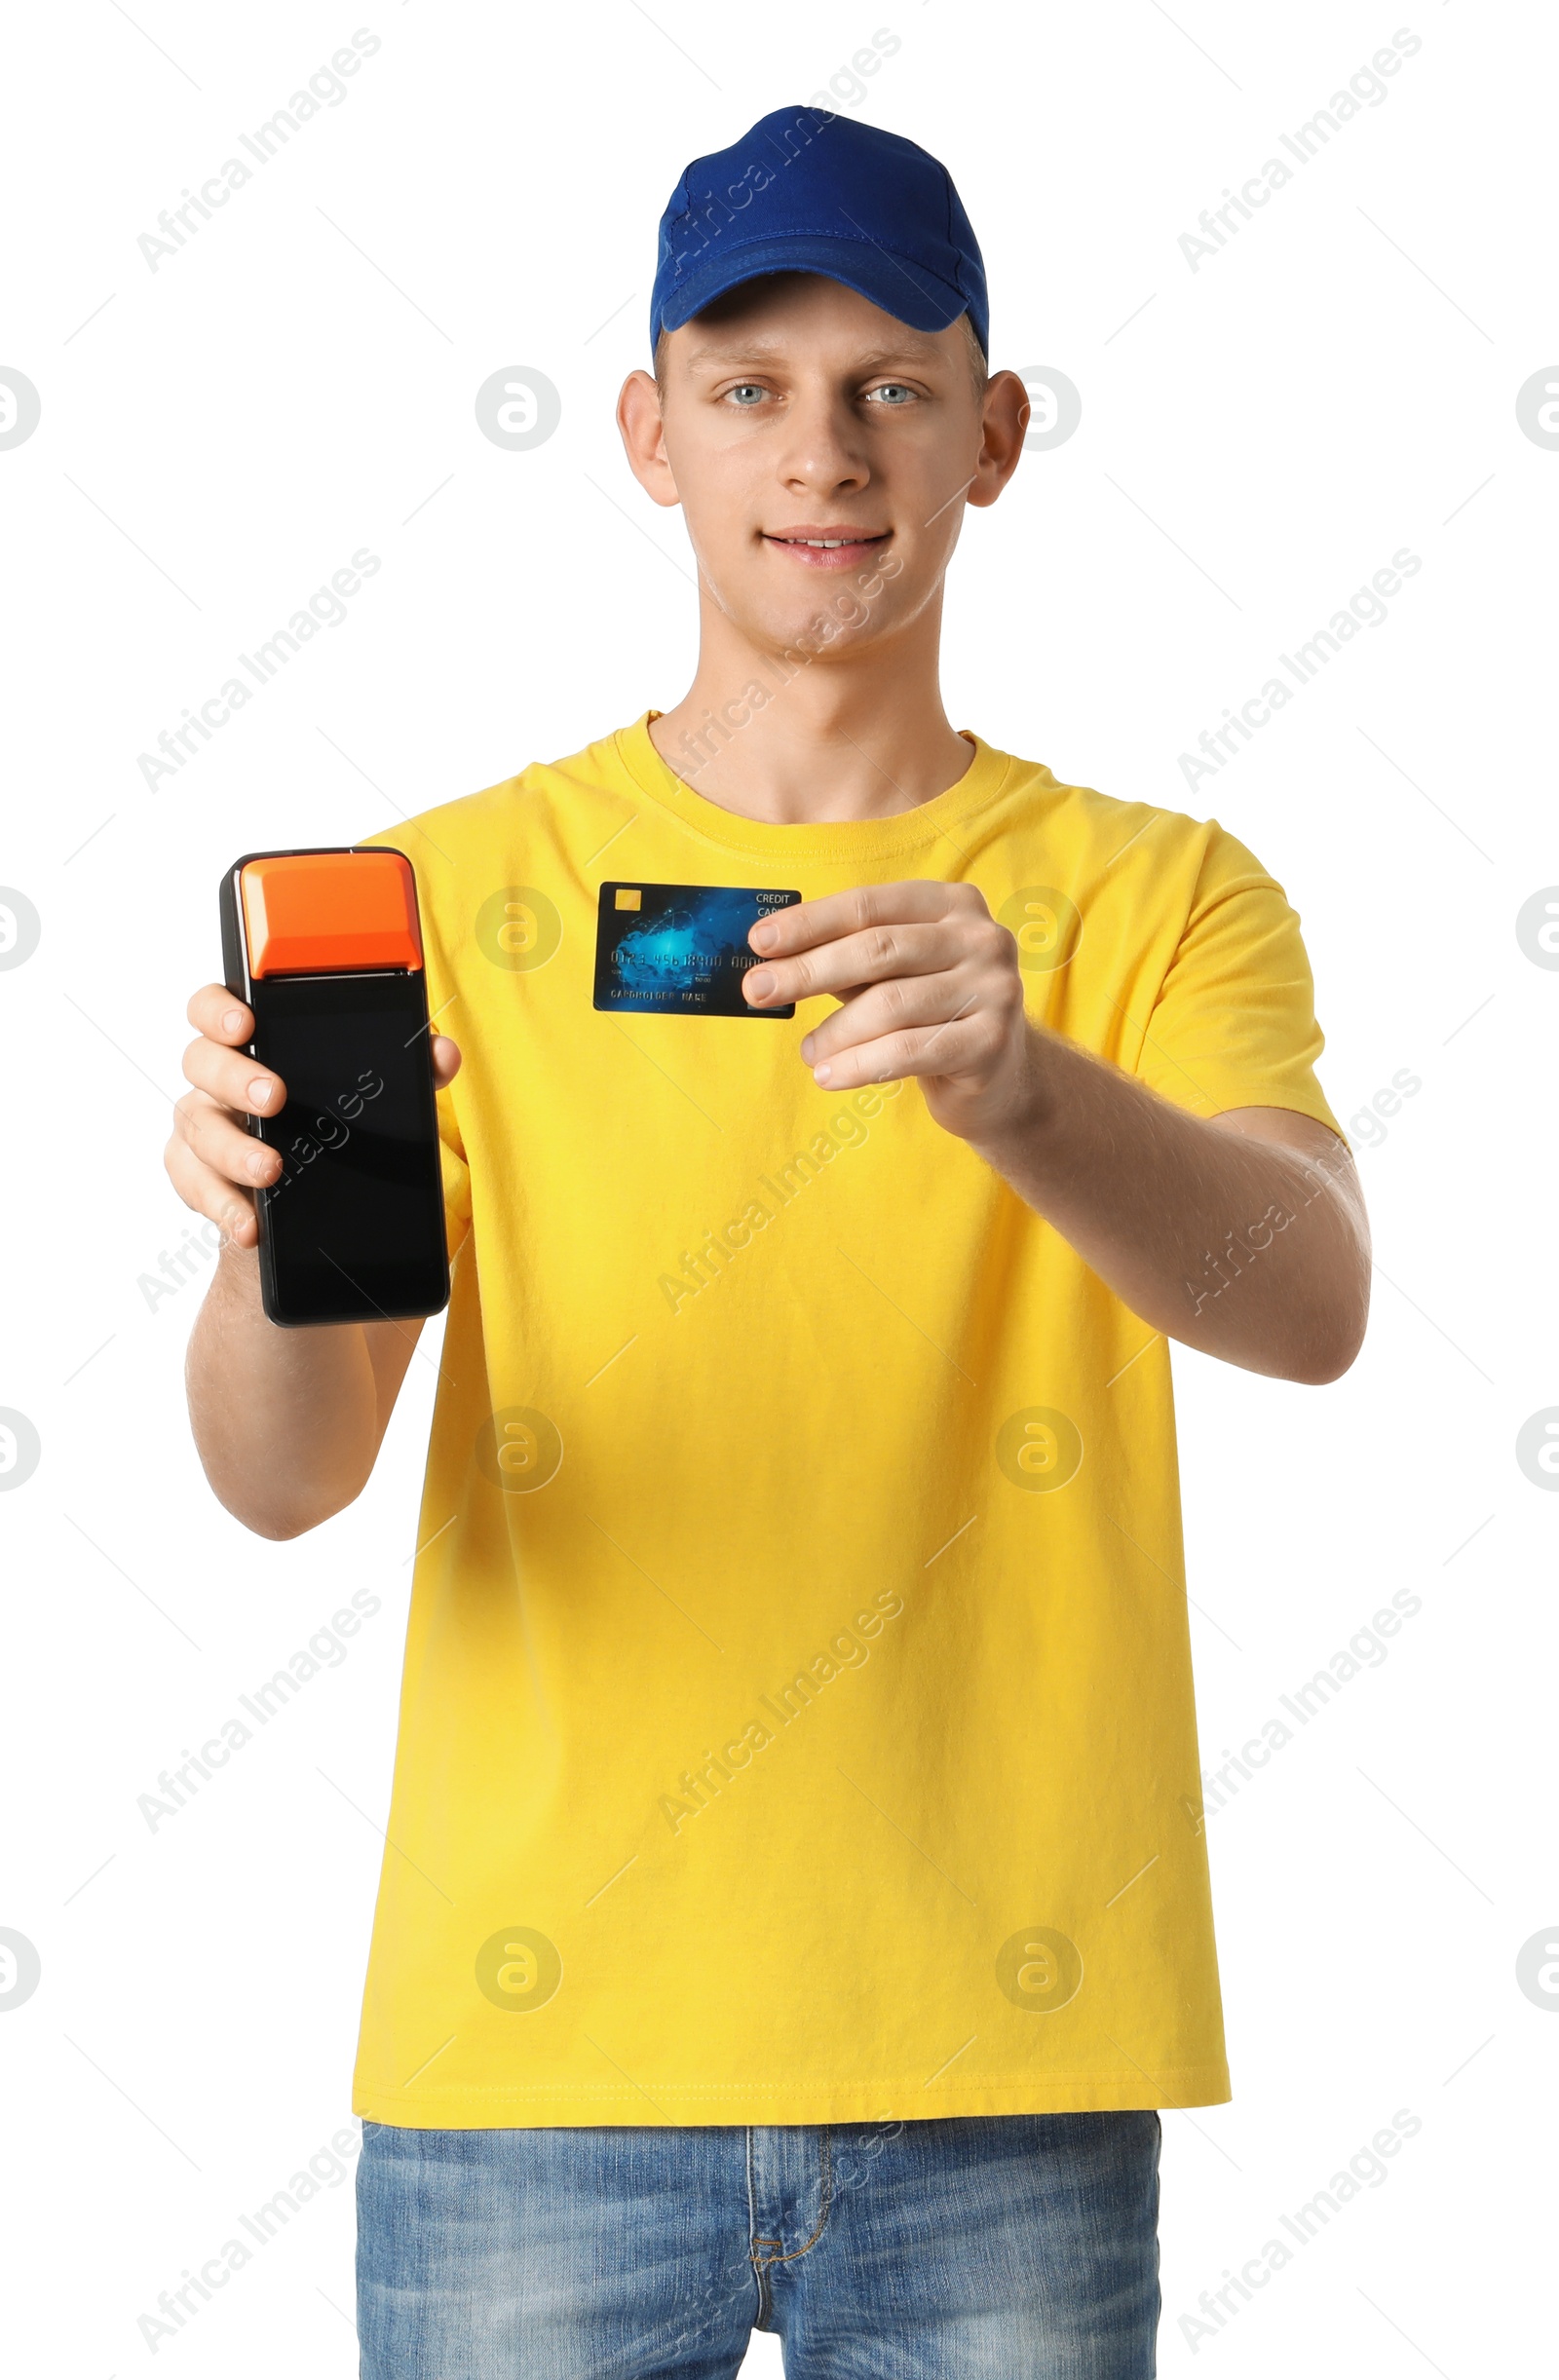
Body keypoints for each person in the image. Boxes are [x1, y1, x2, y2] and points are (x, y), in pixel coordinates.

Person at [168, 105, 1369, 2379]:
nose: (820, 453)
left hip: (997, 2059)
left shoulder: (1156, 894)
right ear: (646, 435)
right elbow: (280, 1474)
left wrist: (1024, 1087)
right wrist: (253, 1241)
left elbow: (1305, 1307)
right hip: (531, 2064)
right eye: (747, 387)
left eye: (889, 386)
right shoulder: (435, 898)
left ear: (988, 434)